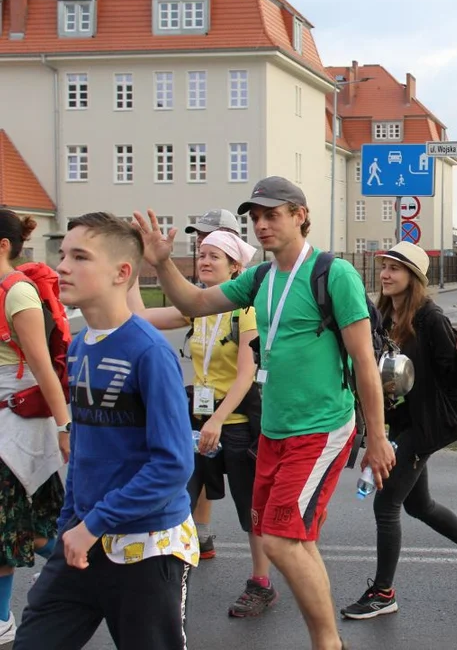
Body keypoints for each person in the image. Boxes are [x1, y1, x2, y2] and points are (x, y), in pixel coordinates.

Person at [133, 177, 395, 650]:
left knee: (276, 539)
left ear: (300, 214)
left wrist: (376, 437)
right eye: (255, 216)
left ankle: (328, 643)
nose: (261, 224)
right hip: (274, 428)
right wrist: (163, 262)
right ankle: (328, 641)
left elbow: (363, 363)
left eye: (272, 214)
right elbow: (193, 303)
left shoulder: (333, 274)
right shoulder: (259, 279)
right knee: (295, 539)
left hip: (321, 427)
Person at [15, 213, 195, 649]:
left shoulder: (149, 352)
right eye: (63, 255)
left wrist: (94, 522)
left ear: (122, 273)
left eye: (80, 257)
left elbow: (173, 465)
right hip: (82, 540)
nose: (62, 267)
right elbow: (84, 449)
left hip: (145, 548)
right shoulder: (80, 345)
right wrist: (71, 523)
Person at [340, 242, 457, 621]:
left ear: (414, 277)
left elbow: (451, 379)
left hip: (424, 425)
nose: (387, 274)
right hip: (398, 422)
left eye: (396, 268)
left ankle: (383, 592)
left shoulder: (429, 317)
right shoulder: (379, 315)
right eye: (385, 267)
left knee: (387, 503)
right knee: (417, 504)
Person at [128, 230, 277, 617]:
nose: (205, 261)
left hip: (237, 423)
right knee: (178, 496)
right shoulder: (196, 306)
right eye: (202, 254)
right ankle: (169, 577)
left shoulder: (246, 310)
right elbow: (139, 318)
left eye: (215, 256)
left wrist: (218, 420)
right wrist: (132, 267)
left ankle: (261, 583)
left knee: (251, 510)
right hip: (199, 420)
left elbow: (247, 374)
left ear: (236, 268)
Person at [0, 213, 70, 645]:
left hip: (16, 428)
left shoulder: (19, 294)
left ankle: (88, 568)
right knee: (16, 527)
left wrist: (65, 426)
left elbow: (43, 367)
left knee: (13, 528)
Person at [179, 208, 243, 559]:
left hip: (242, 413)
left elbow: (249, 371)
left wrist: (220, 417)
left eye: (210, 240)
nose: (202, 245)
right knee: (197, 469)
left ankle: (265, 570)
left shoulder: (244, 302)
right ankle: (198, 534)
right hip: (205, 404)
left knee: (248, 491)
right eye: (199, 241)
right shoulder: (200, 299)